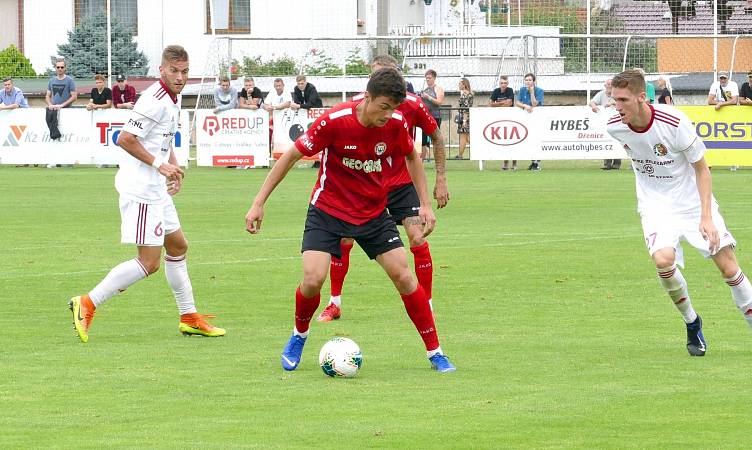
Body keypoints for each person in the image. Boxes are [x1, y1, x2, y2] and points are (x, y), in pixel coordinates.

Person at [245, 68, 455, 373]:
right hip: (328, 211)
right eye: (383, 107)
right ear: (367, 97)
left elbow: (412, 156)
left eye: (393, 108)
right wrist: (258, 203)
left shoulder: (395, 125)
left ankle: (436, 353)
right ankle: (298, 336)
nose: (388, 115)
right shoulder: (334, 121)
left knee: (405, 277)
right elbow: (290, 156)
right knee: (313, 279)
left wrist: (425, 204)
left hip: (372, 213)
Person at [606, 68, 752, 357]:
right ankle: (692, 322)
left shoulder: (674, 121)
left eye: (623, 100)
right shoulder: (614, 124)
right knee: (663, 261)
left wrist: (706, 217)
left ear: (642, 97)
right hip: (655, 204)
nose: (617, 106)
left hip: (692, 202)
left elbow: (702, 169)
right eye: (614, 100)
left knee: (729, 268)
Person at [68, 45, 225, 343]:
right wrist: (159, 165)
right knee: (149, 262)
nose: (180, 77)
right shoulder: (154, 100)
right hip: (140, 190)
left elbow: (162, 141)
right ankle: (87, 303)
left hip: (156, 188)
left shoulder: (172, 99)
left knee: (178, 246)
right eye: (174, 71)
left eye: (185, 72)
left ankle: (189, 315)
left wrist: (173, 166)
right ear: (162, 70)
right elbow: (125, 139)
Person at [317, 54, 449, 324]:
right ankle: (334, 303)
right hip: (365, 185)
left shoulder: (412, 104)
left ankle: (428, 303)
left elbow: (435, 135)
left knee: (418, 236)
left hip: (400, 186)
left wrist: (441, 179)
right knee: (344, 240)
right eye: (375, 74)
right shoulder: (358, 104)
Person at [516, 73, 545, 171]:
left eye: (530, 80)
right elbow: (517, 102)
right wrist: (525, 106)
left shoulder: (539, 91)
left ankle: (536, 163)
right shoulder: (522, 90)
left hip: (537, 119)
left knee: (537, 140)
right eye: (526, 80)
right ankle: (533, 162)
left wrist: (532, 92)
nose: (528, 82)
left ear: (533, 81)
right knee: (528, 140)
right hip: (526, 119)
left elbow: (535, 104)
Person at [591, 79, 620, 170]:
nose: (609, 86)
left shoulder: (618, 93)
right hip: (605, 122)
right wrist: (593, 106)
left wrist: (613, 103)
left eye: (611, 84)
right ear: (605, 85)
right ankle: (607, 163)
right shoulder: (601, 94)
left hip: (617, 121)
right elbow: (592, 102)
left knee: (617, 140)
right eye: (608, 84)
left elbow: (623, 102)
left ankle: (616, 163)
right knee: (606, 140)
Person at [45, 58, 77, 141]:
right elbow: (47, 95)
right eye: (58, 67)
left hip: (67, 111)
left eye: (62, 67)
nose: (60, 69)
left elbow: (74, 97)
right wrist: (50, 105)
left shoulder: (70, 80)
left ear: (65, 68)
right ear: (55, 68)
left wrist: (62, 105)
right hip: (53, 111)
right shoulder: (51, 80)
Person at [490, 75, 515, 170]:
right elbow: (490, 104)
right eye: (501, 83)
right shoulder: (496, 91)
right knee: (504, 143)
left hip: (511, 119)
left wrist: (497, 104)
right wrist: (502, 103)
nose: (503, 84)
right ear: (499, 83)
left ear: (507, 83)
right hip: (500, 120)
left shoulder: (510, 90)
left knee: (513, 142)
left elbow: (509, 104)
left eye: (505, 83)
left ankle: (514, 163)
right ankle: (505, 163)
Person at [419, 69, 444, 162]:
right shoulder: (425, 90)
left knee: (436, 140)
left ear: (434, 78)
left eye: (429, 78)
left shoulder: (438, 88)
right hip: (425, 117)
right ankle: (420, 162)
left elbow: (439, 102)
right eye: (426, 78)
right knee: (423, 141)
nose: (427, 80)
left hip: (435, 117)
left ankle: (438, 161)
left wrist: (428, 97)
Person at [456, 77, 473, 160]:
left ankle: (460, 155)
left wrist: (464, 121)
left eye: (460, 83)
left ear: (464, 84)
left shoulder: (465, 95)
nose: (458, 85)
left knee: (463, 137)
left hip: (465, 118)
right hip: (467, 118)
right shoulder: (469, 94)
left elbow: (466, 109)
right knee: (467, 137)